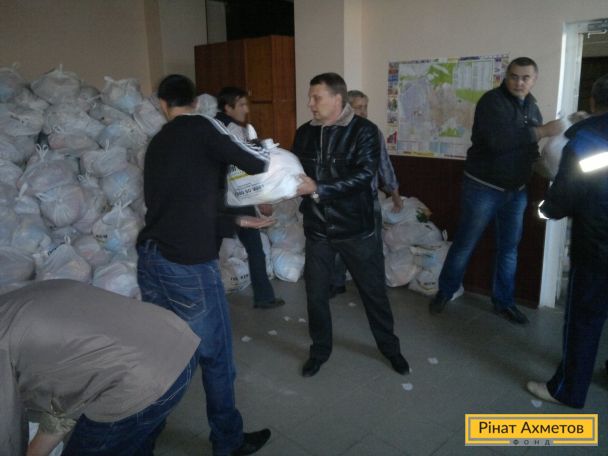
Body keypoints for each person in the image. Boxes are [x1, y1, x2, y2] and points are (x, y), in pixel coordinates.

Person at [136, 75, 272, 456]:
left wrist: (236, 220)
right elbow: (255, 161)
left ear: (162, 104)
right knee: (217, 358)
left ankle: (140, 437)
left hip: (151, 260)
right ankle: (228, 442)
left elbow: (175, 204)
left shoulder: (157, 143)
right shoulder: (203, 128)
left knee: (162, 354)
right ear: (196, 102)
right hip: (188, 265)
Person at [429, 57, 565, 324]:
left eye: (525, 78)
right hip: (483, 187)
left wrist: (549, 170)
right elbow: (497, 141)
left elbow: (527, 149)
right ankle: (445, 291)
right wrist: (543, 131)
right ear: (506, 76)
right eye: (514, 76)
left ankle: (504, 302)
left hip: (516, 191)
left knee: (509, 249)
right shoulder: (492, 102)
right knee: (465, 242)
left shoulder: (532, 107)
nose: (519, 82)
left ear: (534, 79)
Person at [293, 72, 409, 377]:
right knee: (316, 295)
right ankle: (319, 350)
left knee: (373, 293)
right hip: (318, 228)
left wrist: (318, 188)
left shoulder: (364, 131)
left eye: (316, 97)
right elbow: (295, 172)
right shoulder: (304, 133)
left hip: (356, 228)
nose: (310, 103)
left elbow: (363, 175)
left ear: (337, 99)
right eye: (310, 97)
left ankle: (390, 348)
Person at [0, 279, 200, 456]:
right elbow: (68, 393)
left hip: (140, 382)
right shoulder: (27, 297)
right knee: (134, 444)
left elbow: (6, 434)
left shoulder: (4, 340)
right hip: (178, 343)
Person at [527, 74, 608, 408]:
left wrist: (543, 211)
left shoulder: (587, 139)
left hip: (598, 247)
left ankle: (567, 390)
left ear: (593, 101)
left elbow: (564, 197)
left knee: (584, 319)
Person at [215, 86, 285, 309]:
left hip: (216, 199)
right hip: (237, 199)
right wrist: (261, 198)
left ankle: (208, 295)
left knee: (210, 249)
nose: (246, 110)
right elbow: (244, 172)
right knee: (254, 247)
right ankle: (264, 297)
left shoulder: (211, 127)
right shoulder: (235, 130)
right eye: (242, 105)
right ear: (228, 107)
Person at [331, 89, 403, 297]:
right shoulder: (336, 132)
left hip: (367, 199)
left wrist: (395, 195)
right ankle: (337, 281)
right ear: (347, 109)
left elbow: (384, 165)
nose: (363, 112)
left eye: (365, 107)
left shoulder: (372, 132)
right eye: (358, 107)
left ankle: (374, 284)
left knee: (372, 244)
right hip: (341, 199)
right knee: (340, 243)